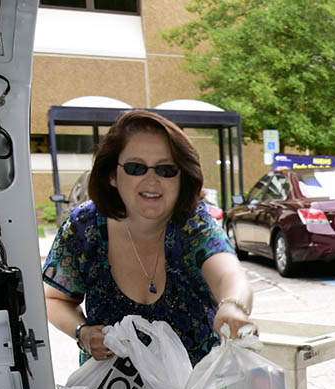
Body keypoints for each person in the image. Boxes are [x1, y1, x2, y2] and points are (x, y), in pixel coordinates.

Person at [42, 109, 253, 367]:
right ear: (112, 175)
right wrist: (82, 332)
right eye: (135, 168)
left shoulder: (192, 224)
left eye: (166, 170)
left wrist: (232, 307)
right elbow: (53, 298)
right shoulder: (84, 228)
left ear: (182, 176)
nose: (151, 179)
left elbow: (229, 274)